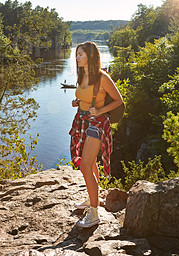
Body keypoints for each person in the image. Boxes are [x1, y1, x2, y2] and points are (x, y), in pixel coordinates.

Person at [69, 41, 123, 228]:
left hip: (97, 124)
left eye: (81, 54)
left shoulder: (103, 77)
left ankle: (94, 213)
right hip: (82, 121)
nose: (77, 58)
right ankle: (93, 198)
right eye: (77, 54)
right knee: (91, 163)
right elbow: (85, 96)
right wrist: (78, 102)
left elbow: (118, 101)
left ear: (91, 56)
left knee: (84, 165)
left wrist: (100, 111)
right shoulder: (82, 75)